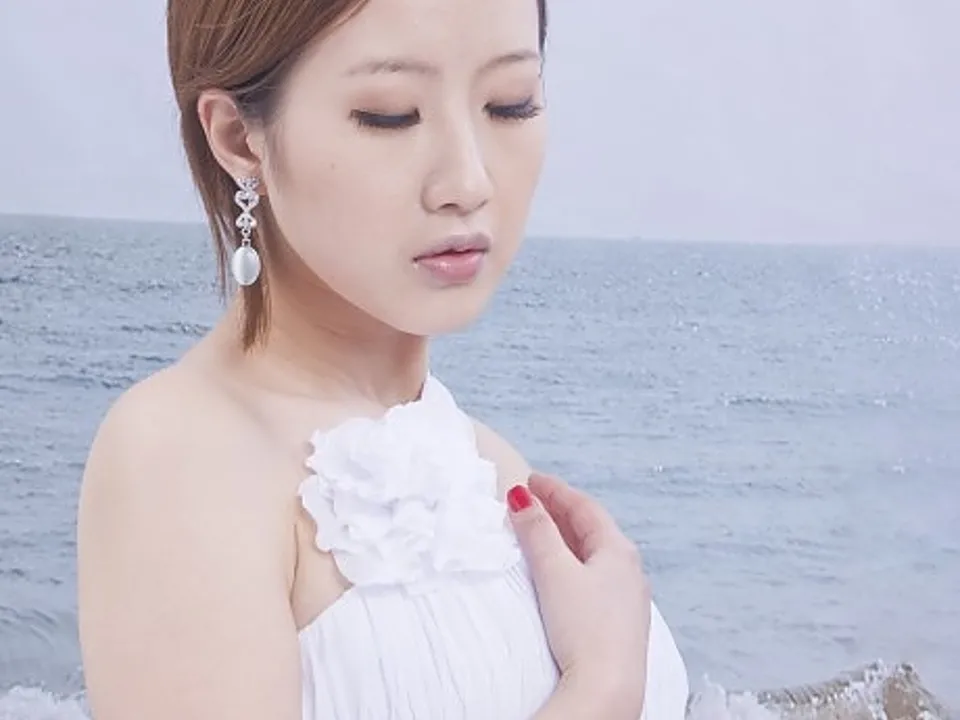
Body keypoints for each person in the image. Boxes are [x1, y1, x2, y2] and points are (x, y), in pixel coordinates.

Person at [76, 0, 690, 717]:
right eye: (391, 115)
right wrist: (603, 685)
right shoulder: (180, 456)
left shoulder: (488, 463)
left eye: (510, 103)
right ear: (240, 138)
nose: (468, 181)